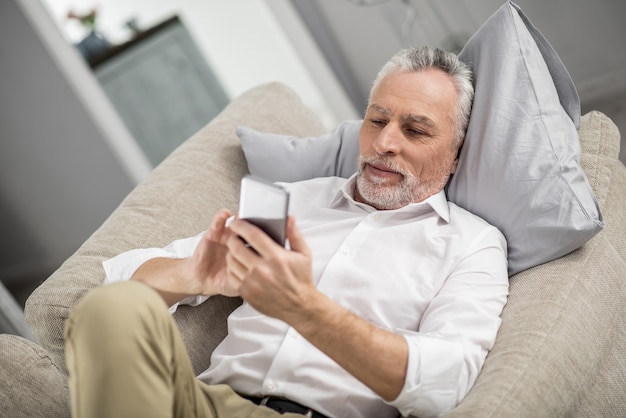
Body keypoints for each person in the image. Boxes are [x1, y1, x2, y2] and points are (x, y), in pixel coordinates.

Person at [64, 46, 508, 418]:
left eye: (414, 130)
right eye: (377, 120)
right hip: (209, 403)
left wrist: (305, 309)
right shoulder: (296, 200)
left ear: (454, 154)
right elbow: (116, 283)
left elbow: (445, 382)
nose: (384, 143)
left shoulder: (472, 244)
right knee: (110, 307)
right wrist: (193, 274)